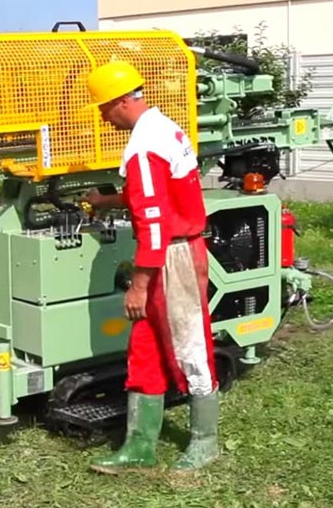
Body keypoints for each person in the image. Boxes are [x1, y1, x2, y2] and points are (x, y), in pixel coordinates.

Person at [83, 60, 220, 474]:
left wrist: (139, 284)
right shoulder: (164, 129)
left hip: (171, 257)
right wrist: (108, 201)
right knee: (145, 348)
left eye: (105, 109)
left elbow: (155, 225)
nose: (105, 119)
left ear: (123, 101)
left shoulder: (142, 148)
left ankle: (205, 442)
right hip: (173, 250)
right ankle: (139, 446)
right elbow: (156, 196)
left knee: (189, 346)